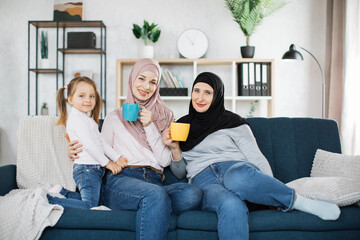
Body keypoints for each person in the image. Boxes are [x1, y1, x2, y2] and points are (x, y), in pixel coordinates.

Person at [161, 72, 341, 240]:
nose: (200, 97)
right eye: (196, 91)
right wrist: (175, 149)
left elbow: (256, 158)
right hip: (204, 181)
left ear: (217, 97)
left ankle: (298, 201)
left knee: (236, 176)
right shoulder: (181, 126)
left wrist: (268, 188)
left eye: (207, 92)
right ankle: (291, 199)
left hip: (237, 171)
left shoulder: (233, 122)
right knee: (231, 204)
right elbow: (179, 173)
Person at [68, 59, 202, 240]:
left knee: (192, 193)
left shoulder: (165, 116)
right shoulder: (114, 116)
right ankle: (151, 203)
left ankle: (147, 205)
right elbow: (100, 148)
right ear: (132, 79)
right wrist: (76, 152)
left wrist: (149, 125)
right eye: (141, 78)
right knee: (156, 195)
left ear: (157, 86)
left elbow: (164, 161)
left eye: (153, 82)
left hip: (155, 181)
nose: (146, 86)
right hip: (122, 180)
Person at [48, 76, 128, 210]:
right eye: (82, 96)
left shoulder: (87, 119)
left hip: (93, 169)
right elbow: (90, 146)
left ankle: (62, 193)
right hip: (86, 169)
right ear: (70, 99)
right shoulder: (76, 119)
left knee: (93, 202)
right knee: (89, 206)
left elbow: (101, 142)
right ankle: (48, 200)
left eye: (91, 96)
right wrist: (108, 163)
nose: (88, 100)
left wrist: (117, 157)